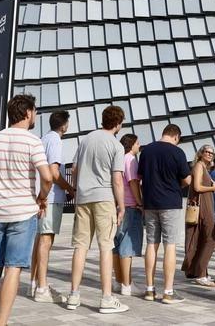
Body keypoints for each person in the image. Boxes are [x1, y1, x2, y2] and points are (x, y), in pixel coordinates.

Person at [0, 95, 52, 326]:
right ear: (27, 113)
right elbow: (47, 176)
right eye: (34, 111)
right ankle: (1, 323)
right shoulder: (33, 142)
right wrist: (41, 197)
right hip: (23, 214)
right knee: (13, 269)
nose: (35, 115)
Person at [66, 106, 129, 314]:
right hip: (104, 198)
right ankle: (106, 298)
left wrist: (77, 189)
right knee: (105, 247)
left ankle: (73, 295)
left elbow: (74, 169)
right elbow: (117, 180)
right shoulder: (116, 145)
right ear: (119, 124)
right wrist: (121, 206)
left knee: (80, 246)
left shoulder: (85, 140)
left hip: (83, 198)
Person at [137, 124, 191, 304]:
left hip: (150, 202)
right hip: (170, 203)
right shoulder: (178, 153)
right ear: (176, 136)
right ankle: (168, 291)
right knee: (170, 245)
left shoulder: (146, 151)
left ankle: (149, 289)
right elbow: (186, 179)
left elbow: (140, 176)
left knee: (151, 243)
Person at [30, 111, 75, 303]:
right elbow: (54, 173)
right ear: (64, 125)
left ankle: (35, 283)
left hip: (41, 196)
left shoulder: (43, 138)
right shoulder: (55, 140)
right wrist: (70, 188)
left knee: (40, 239)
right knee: (46, 241)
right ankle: (41, 288)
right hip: (51, 197)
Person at [182, 144, 215, 287]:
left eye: (212, 153)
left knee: (203, 239)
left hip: (206, 206)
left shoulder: (205, 168)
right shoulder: (198, 166)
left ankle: (200, 272)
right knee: (210, 238)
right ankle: (201, 274)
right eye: (207, 152)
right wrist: (213, 187)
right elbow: (197, 187)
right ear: (201, 153)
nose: (210, 154)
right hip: (203, 208)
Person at [113, 134, 144, 296]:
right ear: (131, 145)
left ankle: (119, 282)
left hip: (118, 205)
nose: (139, 145)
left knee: (116, 246)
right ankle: (127, 284)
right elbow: (133, 182)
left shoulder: (119, 158)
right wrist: (139, 202)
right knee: (127, 246)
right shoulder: (131, 159)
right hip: (130, 206)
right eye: (137, 143)